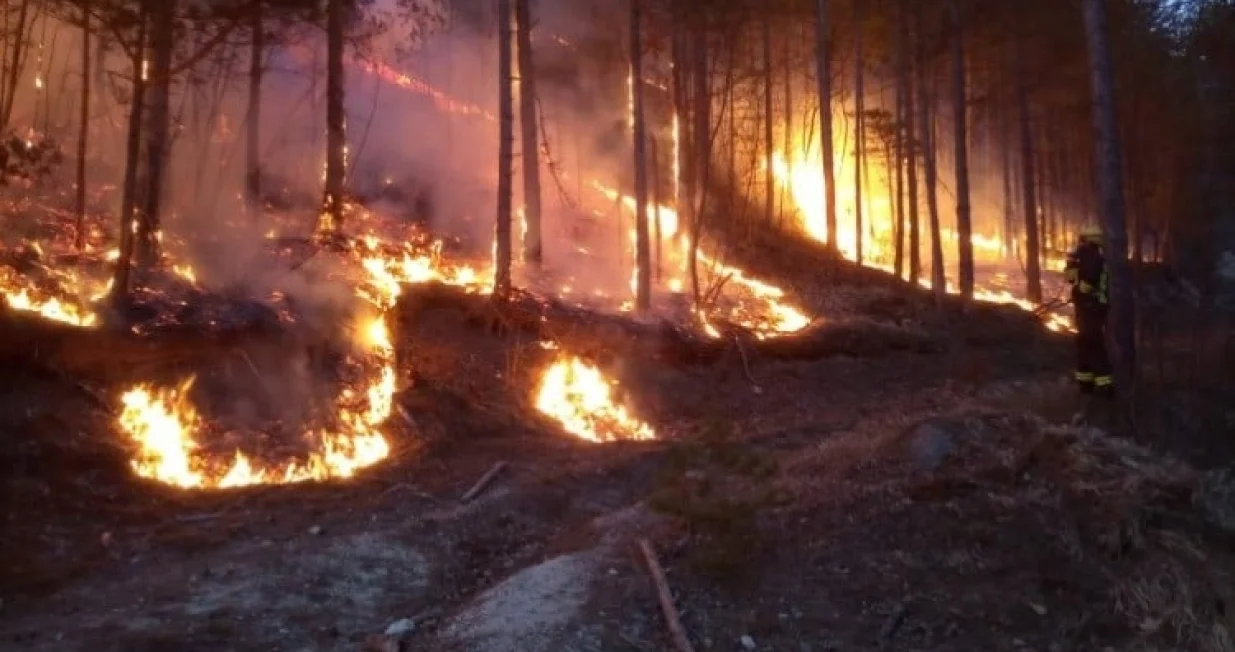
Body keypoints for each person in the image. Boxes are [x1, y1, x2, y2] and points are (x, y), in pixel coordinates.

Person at [1063, 229, 1113, 396]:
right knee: (1084, 343)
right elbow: (1070, 279)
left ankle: (1104, 385)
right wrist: (1071, 264)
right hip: (1088, 307)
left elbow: (1089, 282)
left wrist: (1080, 293)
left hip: (1091, 306)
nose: (1080, 243)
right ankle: (1086, 384)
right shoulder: (1088, 256)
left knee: (1092, 342)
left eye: (1082, 240)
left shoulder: (1094, 257)